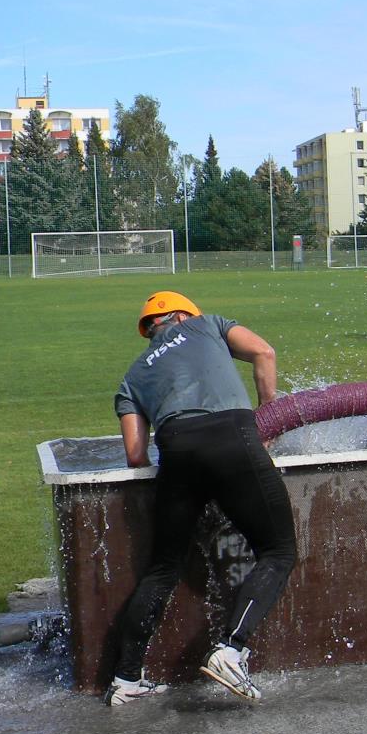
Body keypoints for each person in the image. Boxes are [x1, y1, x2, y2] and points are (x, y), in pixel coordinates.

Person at [106, 291, 299, 705]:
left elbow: (137, 456)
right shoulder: (208, 324)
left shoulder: (133, 375)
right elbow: (264, 352)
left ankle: (125, 680)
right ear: (182, 315)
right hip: (233, 436)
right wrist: (269, 418)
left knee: (162, 569)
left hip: (176, 451)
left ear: (149, 331)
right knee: (278, 550)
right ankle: (232, 650)